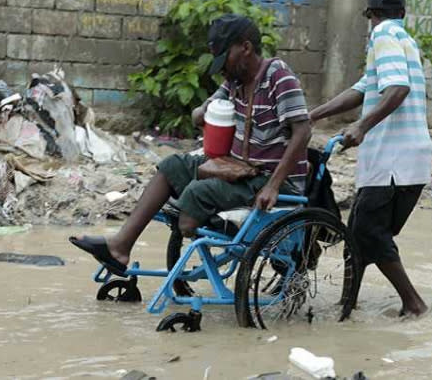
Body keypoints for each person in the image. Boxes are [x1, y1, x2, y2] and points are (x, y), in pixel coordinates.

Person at [71, 14, 312, 276]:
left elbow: (303, 131)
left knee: (197, 194)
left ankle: (194, 220)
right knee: (172, 166)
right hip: (240, 169)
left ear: (246, 47)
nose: (222, 69)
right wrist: (203, 112)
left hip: (270, 177)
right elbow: (200, 112)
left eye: (224, 59)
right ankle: (120, 247)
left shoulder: (279, 76)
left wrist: (273, 186)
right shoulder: (234, 82)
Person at [309, 0, 432, 317]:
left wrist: (361, 126)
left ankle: (414, 305)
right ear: (403, 14)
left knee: (368, 234)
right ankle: (346, 305)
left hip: (391, 163)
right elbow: (364, 89)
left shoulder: (381, 37)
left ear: (370, 16)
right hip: (414, 162)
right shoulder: (406, 41)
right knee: (361, 238)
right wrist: (313, 116)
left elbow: (398, 89)